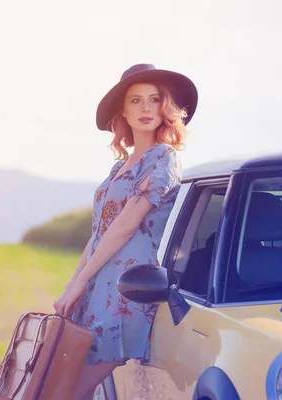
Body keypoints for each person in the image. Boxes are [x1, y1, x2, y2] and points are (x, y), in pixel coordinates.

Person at [52, 63, 198, 400]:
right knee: (74, 390)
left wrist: (83, 281)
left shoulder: (164, 158)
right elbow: (99, 233)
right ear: (123, 110)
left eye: (154, 99)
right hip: (97, 286)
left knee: (69, 393)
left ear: (166, 108)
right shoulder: (120, 166)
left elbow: (125, 227)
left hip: (129, 289)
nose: (146, 108)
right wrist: (74, 284)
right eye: (135, 101)